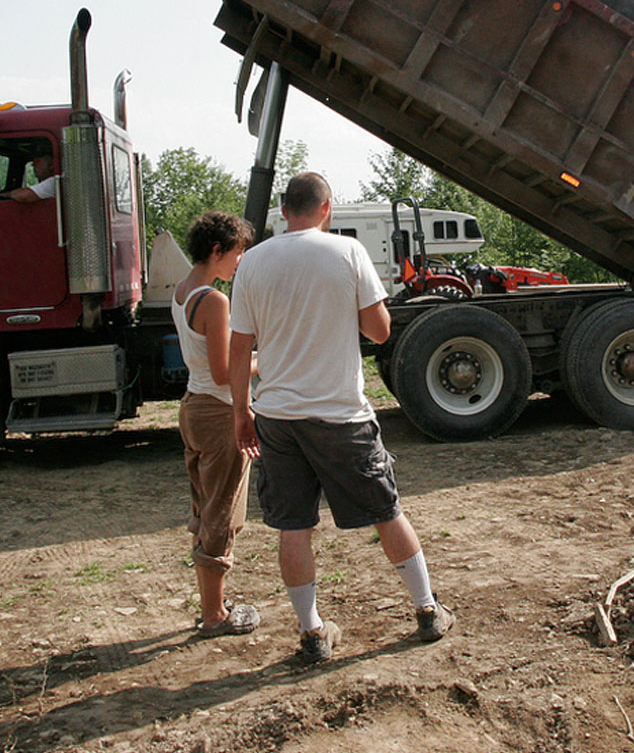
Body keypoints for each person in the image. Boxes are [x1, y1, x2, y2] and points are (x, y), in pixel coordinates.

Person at [229, 172, 454, 664]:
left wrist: (241, 410)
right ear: (326, 208)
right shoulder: (347, 253)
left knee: (293, 526)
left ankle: (312, 634)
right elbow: (378, 331)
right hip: (339, 415)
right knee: (386, 510)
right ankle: (427, 609)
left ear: (285, 211)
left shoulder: (251, 263)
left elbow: (239, 345)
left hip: (277, 416)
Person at [172, 211, 260, 638]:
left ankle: (214, 605)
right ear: (217, 250)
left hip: (193, 407)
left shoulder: (182, 291)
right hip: (217, 410)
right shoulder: (214, 300)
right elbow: (226, 371)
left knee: (206, 508)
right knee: (221, 514)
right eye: (238, 252)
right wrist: (270, 359)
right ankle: (214, 616)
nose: (240, 261)